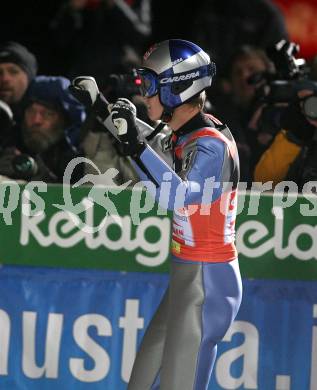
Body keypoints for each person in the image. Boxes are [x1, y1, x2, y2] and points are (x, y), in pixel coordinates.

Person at [109, 39, 243, 390]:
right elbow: (152, 166)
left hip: (205, 282)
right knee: (141, 383)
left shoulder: (210, 145)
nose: (144, 93)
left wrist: (134, 143)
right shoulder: (188, 132)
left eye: (150, 85)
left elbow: (175, 196)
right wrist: (102, 108)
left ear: (178, 88)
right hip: (189, 278)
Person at [0, 75, 86, 183]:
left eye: (48, 114)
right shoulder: (7, 144)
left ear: (66, 122)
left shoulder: (80, 162)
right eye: (31, 111)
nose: (36, 120)